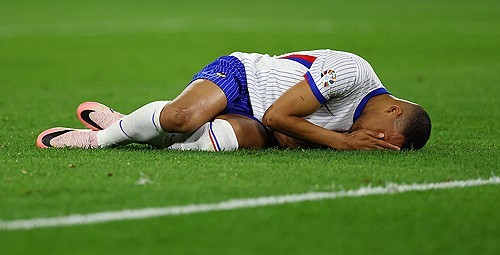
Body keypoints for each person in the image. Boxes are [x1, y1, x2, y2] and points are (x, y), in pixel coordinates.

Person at [36, 49, 431, 151]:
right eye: (381, 137)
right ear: (394, 111)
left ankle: (130, 125)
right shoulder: (353, 72)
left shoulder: (362, 133)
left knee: (216, 144)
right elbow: (280, 115)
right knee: (180, 118)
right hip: (244, 77)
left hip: (264, 125)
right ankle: (99, 139)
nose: (370, 142)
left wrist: (301, 134)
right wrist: (341, 141)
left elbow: (288, 131)